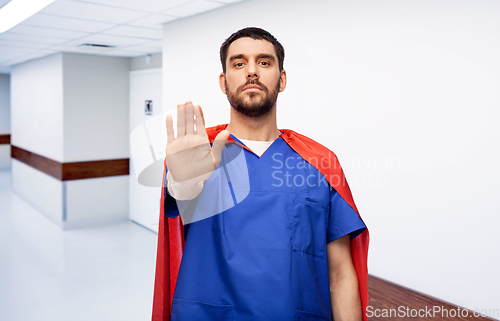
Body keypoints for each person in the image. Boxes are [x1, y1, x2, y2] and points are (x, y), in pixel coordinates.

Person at [152, 27, 369, 321]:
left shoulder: (320, 162)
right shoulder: (197, 158)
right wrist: (183, 183)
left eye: (264, 62)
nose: (251, 72)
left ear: (281, 80)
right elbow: (179, 201)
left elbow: (340, 274)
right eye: (239, 64)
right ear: (223, 81)